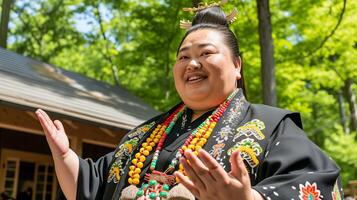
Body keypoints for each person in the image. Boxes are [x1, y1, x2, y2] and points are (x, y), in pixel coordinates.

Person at [35, 2, 343, 200]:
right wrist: (65, 158)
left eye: (206, 53)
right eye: (184, 57)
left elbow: (316, 186)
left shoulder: (272, 126)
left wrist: (249, 199)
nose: (192, 63)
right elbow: (92, 186)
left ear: (237, 66)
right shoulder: (144, 136)